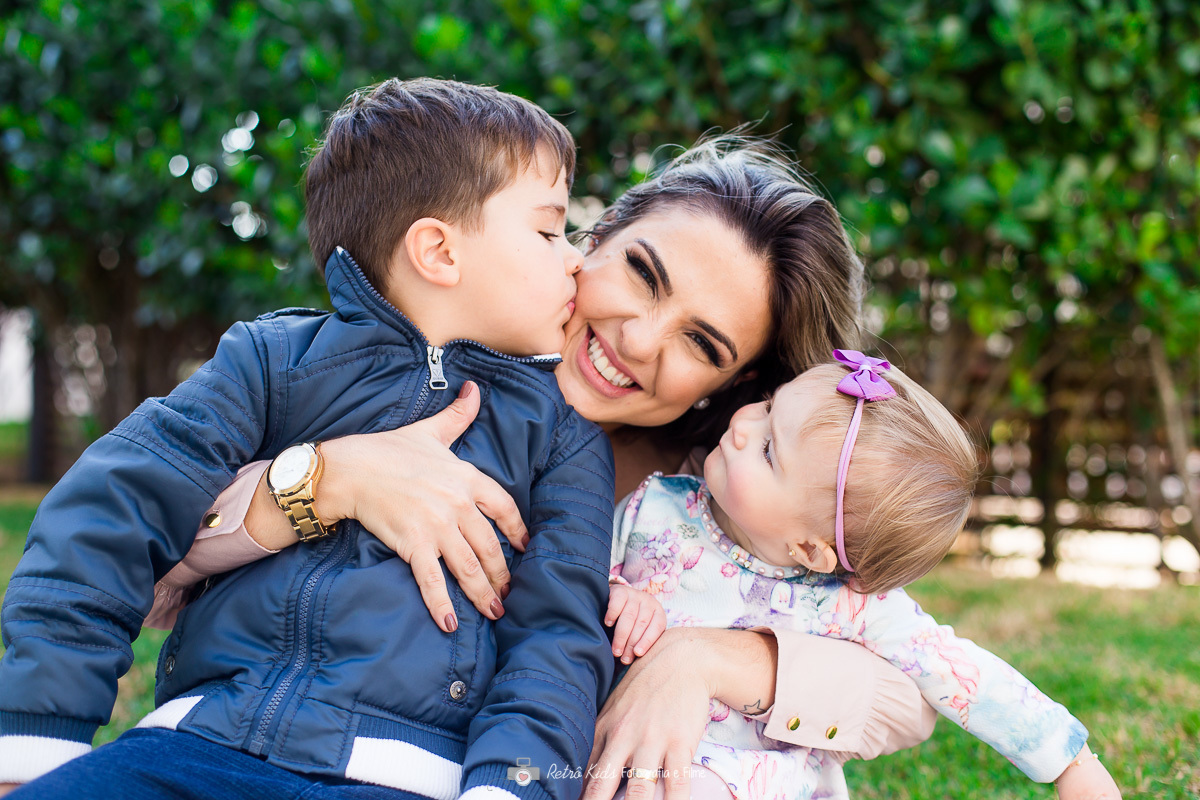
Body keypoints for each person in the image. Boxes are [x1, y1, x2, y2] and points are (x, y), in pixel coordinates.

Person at [143, 133, 943, 799]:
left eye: (701, 343)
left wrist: (701, 660)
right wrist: (332, 479)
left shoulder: (722, 499)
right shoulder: (398, 366)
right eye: (641, 274)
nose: (638, 339)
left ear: (735, 382)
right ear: (590, 240)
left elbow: (907, 695)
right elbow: (146, 562)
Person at [0, 78, 617, 800]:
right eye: (548, 232)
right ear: (438, 252)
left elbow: (557, 643)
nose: (575, 259)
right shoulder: (273, 363)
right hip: (193, 745)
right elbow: (111, 509)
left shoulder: (560, 434)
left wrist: (509, 790)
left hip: (400, 779)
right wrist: (33, 741)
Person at [602, 353, 1122, 800]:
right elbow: (577, 576)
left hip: (752, 778)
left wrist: (1070, 762)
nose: (743, 426)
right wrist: (616, 592)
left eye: (768, 451)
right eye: (768, 406)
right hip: (623, 742)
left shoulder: (849, 604)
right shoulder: (656, 506)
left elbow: (963, 674)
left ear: (811, 549)